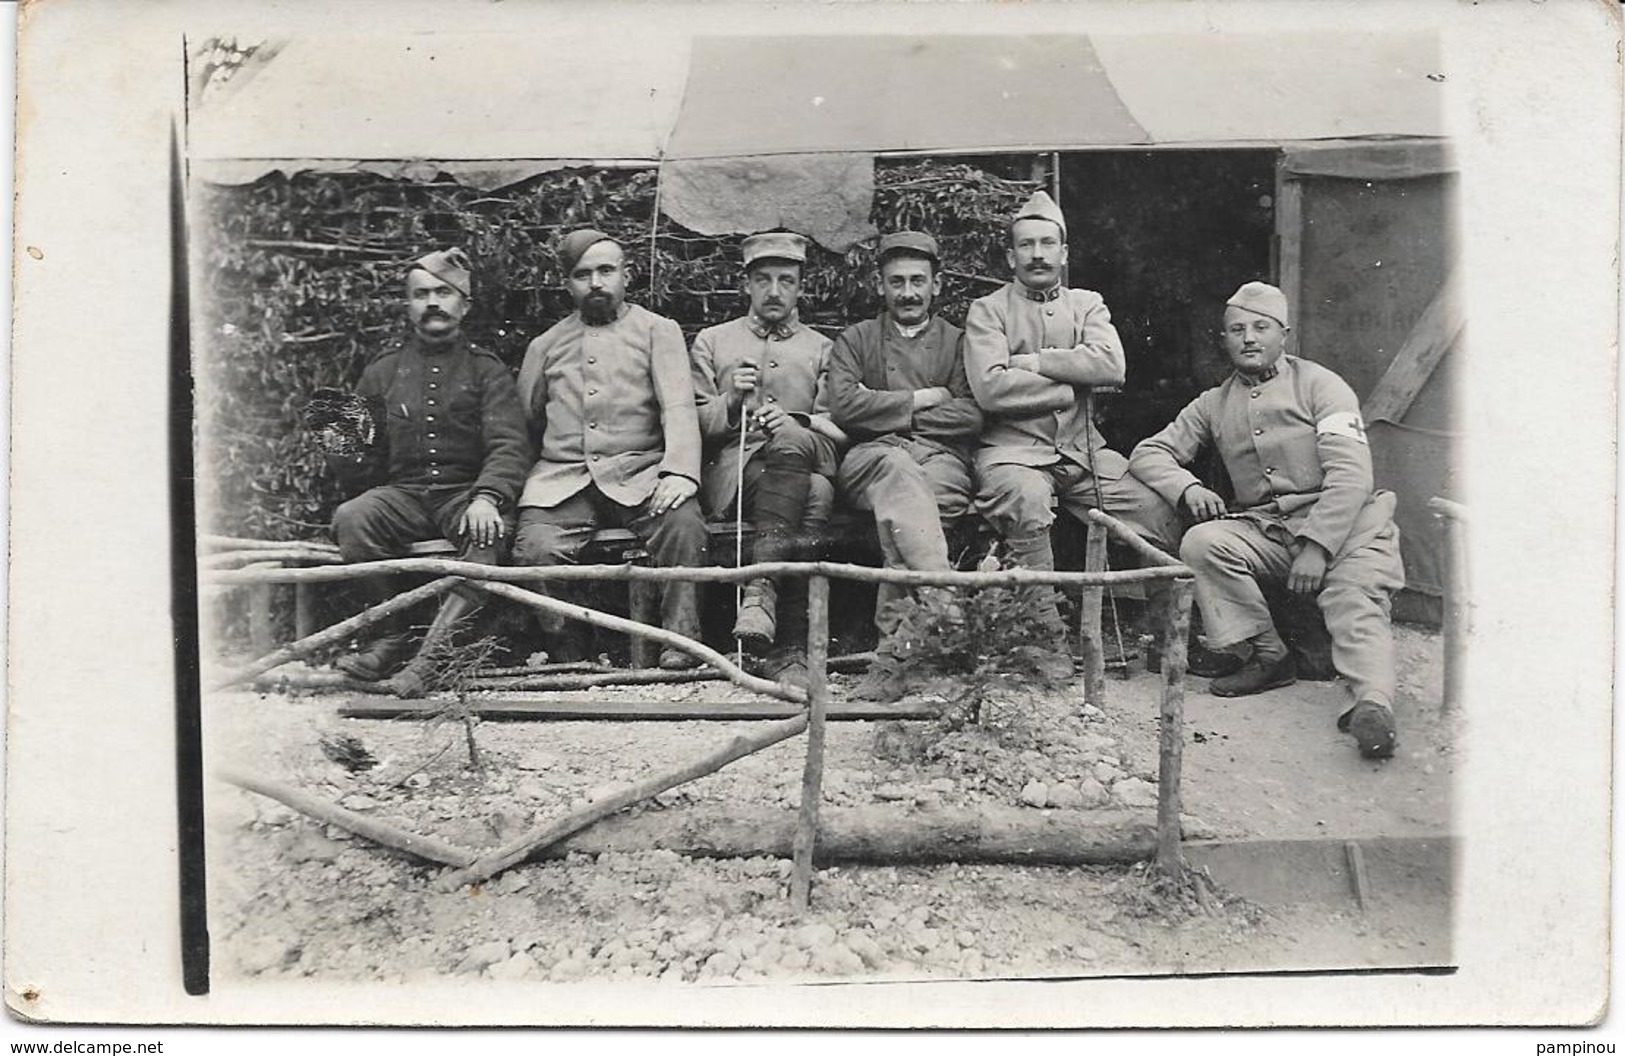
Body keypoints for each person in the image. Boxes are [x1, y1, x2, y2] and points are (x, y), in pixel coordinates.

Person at [1128, 281, 1404, 759]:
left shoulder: (1322, 385)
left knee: (1354, 604)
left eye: (1261, 327)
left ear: (1284, 334)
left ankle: (1373, 707)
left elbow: (1352, 473)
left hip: (1351, 529)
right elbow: (1149, 452)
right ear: (1225, 339)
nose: (1249, 337)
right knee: (1203, 542)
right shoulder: (1213, 403)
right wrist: (1188, 487)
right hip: (1272, 532)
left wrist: (1318, 547)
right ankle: (1269, 654)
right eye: (1237, 329)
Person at [963, 190, 1181, 653]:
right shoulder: (988, 310)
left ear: (1064, 253)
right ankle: (1048, 642)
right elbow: (989, 389)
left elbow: (1111, 367)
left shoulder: (1087, 304)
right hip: (1013, 454)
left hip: (1083, 451)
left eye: (1047, 244)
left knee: (1157, 512)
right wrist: (1067, 386)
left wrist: (1034, 362)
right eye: (1026, 245)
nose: (1037, 254)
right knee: (1027, 500)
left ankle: (1169, 638)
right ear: (1010, 256)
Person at [327, 247, 532, 698]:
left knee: (486, 538)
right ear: (409, 305)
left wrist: (488, 497)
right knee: (353, 517)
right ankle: (389, 636)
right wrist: (340, 442)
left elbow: (509, 445)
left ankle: (428, 662)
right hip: (403, 495)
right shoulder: (381, 372)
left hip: (464, 495)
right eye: (421, 294)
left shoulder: (486, 371)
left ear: (465, 304)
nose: (433, 302)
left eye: (444, 292)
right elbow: (357, 457)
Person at [511, 229, 708, 671]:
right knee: (533, 550)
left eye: (606, 271)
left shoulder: (658, 331)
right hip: (564, 480)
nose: (596, 282)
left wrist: (679, 471)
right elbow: (524, 423)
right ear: (568, 285)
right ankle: (570, 648)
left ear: (626, 276)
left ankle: (682, 641)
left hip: (640, 471)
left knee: (683, 525)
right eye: (583, 274)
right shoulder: (544, 346)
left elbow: (678, 405)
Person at [689, 231, 845, 686]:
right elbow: (693, 422)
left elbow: (836, 427)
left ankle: (762, 594)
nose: (774, 292)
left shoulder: (821, 348)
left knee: (799, 460)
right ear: (746, 285)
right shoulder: (713, 342)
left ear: (801, 287)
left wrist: (797, 421)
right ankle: (792, 647)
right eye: (763, 280)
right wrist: (731, 403)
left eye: (786, 280)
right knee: (815, 492)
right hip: (737, 476)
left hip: (800, 454)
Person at [827, 230, 982, 635]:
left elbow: (970, 414)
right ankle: (944, 607)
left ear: (937, 284)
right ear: (881, 285)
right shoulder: (856, 340)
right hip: (871, 460)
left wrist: (881, 407)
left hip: (941, 461)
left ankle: (897, 646)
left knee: (915, 513)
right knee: (898, 469)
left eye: (917, 281)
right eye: (897, 282)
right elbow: (843, 407)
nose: (908, 293)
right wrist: (924, 399)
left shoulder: (958, 342)